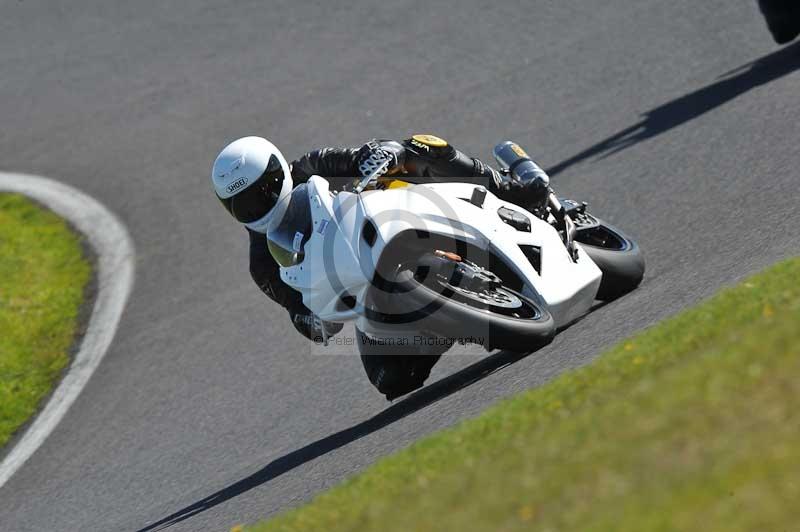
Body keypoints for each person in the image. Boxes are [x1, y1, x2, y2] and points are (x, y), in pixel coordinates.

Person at [211, 134, 550, 399]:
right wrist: (311, 320)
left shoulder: (313, 166)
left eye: (262, 192)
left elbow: (365, 153)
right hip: (366, 287)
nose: (256, 206)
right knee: (392, 380)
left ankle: (513, 189)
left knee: (418, 146)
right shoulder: (263, 263)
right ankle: (451, 317)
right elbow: (300, 310)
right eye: (242, 204)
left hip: (404, 216)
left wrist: (384, 153)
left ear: (278, 170)